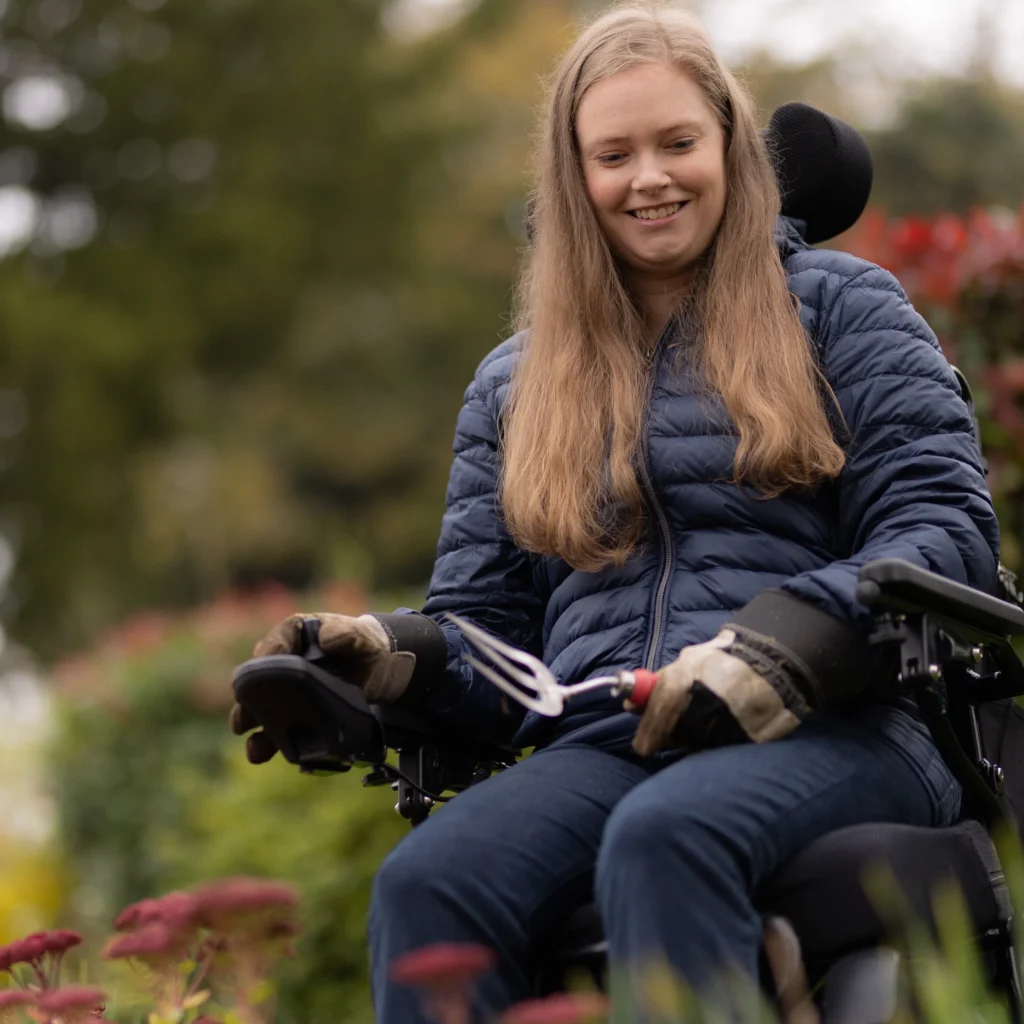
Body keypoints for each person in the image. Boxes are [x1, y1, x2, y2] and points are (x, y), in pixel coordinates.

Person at [231, 3, 999, 1019]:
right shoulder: (517, 383)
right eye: (614, 154)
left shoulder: (842, 308)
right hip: (608, 740)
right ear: (573, 179)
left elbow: (942, 528)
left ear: (728, 145)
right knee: (428, 881)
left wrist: (782, 642)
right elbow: (492, 638)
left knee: (668, 833)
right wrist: (388, 654)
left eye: (678, 142)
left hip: (843, 721)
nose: (650, 177)